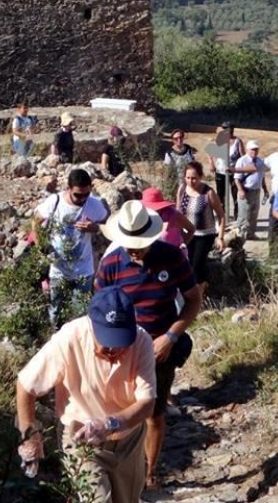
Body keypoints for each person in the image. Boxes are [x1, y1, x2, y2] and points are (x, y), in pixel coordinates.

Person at [96, 201, 202, 492]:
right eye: (129, 245)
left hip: (160, 349)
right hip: (122, 350)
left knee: (154, 412)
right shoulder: (112, 264)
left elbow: (193, 299)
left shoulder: (172, 258)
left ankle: (150, 471)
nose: (134, 251)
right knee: (121, 411)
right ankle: (121, 469)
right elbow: (99, 307)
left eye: (138, 245)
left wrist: (171, 336)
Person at [16, 286, 155, 503]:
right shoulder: (70, 338)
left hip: (128, 439)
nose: (115, 351)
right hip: (81, 439)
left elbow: (147, 403)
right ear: (93, 325)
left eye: (121, 344)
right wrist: (29, 435)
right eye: (108, 345)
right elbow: (26, 385)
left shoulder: (142, 341)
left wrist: (109, 424)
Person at [33, 168, 109, 325]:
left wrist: (93, 227)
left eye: (86, 195)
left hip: (84, 270)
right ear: (68, 188)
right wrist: (42, 246)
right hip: (58, 269)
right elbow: (36, 221)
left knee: (80, 315)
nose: (82, 199)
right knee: (55, 312)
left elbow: (107, 223)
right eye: (78, 195)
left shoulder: (93, 204)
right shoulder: (55, 202)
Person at [175, 161, 225, 292]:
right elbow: (177, 213)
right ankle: (196, 291)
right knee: (186, 264)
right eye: (188, 178)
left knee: (196, 265)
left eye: (194, 178)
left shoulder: (208, 193)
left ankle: (198, 296)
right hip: (187, 234)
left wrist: (220, 237)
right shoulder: (182, 189)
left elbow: (221, 215)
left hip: (204, 234)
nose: (191, 181)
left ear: (201, 176)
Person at [140, 187, 195, 252]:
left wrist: (180, 248)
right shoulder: (142, 216)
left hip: (173, 257)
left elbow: (191, 229)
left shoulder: (173, 215)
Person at [234, 140, 267, 240]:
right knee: (244, 215)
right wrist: (240, 190)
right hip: (246, 190)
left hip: (256, 191)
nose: (254, 151)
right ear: (248, 150)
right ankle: (240, 236)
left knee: (254, 214)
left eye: (256, 149)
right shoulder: (242, 161)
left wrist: (265, 189)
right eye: (252, 149)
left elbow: (262, 176)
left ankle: (250, 234)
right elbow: (237, 178)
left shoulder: (260, 161)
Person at [213, 121, 244, 220]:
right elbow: (213, 154)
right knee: (220, 196)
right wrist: (213, 165)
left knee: (236, 195)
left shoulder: (238, 141)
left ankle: (237, 217)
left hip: (233, 172)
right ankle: (222, 218)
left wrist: (241, 170)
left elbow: (243, 157)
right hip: (220, 171)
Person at [163, 129, 196, 199]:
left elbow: (193, 163)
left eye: (180, 137)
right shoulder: (169, 153)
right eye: (176, 138)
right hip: (177, 183)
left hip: (189, 182)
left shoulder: (188, 149)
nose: (179, 140)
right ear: (172, 140)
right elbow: (167, 170)